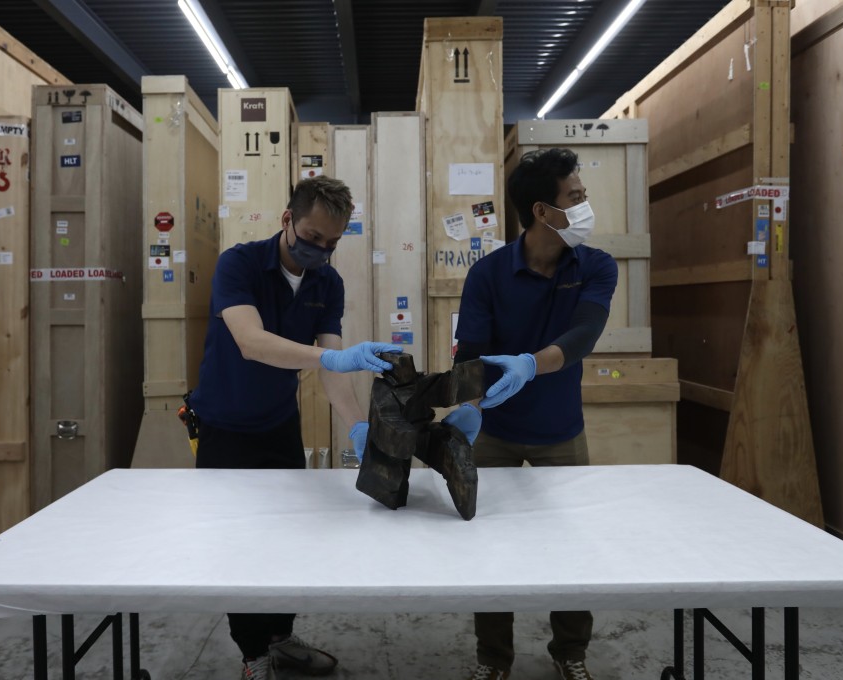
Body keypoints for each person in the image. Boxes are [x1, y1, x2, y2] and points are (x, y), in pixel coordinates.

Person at [187, 176, 400, 680]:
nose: (319, 251)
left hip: (279, 425)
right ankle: (252, 654)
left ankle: (280, 636)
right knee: (240, 546)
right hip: (224, 428)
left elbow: (332, 370)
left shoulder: (328, 283)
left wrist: (359, 427)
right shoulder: (239, 264)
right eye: (311, 237)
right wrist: (334, 354)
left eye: (331, 243)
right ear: (287, 220)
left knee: (287, 539)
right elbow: (251, 342)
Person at [444, 148, 617, 680]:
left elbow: (583, 336)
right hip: (494, 432)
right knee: (490, 547)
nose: (586, 205)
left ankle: (570, 652)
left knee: (571, 548)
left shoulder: (595, 265)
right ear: (544, 211)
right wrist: (467, 411)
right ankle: (493, 659)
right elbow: (470, 354)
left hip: (561, 432)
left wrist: (528, 364)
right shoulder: (489, 274)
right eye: (577, 197)